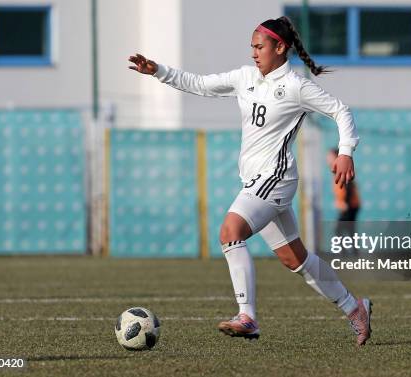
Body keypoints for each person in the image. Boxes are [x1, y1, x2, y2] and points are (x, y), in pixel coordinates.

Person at [128, 16, 372, 346]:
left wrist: (345, 152)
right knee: (295, 260)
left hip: (276, 178)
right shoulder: (245, 78)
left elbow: (341, 111)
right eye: (252, 47)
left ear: (280, 47)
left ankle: (248, 316)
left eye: (259, 47)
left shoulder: (297, 86)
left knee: (230, 231)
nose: (254, 53)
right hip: (256, 181)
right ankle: (354, 308)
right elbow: (200, 83)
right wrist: (158, 70)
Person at [327, 148, 361, 248]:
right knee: (348, 230)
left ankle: (345, 254)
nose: (327, 159)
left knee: (340, 229)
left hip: (350, 205)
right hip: (350, 204)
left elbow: (348, 185)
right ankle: (352, 253)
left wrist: (345, 203)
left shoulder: (341, 168)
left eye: (330, 157)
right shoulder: (336, 170)